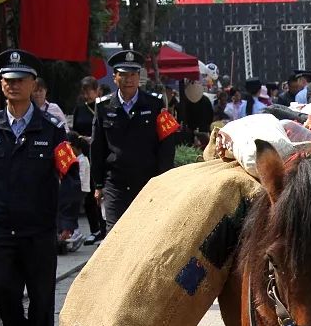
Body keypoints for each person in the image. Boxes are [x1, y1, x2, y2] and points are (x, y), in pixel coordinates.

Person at [0, 49, 76, 326]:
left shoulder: (52, 129)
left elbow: (69, 174)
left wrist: (66, 220)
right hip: (0, 228)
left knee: (42, 295)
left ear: (34, 84)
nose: (13, 85)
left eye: (20, 80)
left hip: (38, 227)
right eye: (8, 80)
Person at [90, 49, 179, 232]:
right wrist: (98, 185)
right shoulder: (103, 107)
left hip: (147, 183)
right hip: (115, 185)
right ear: (115, 77)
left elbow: (166, 146)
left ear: (139, 77)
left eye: (133, 74)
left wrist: (164, 180)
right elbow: (97, 148)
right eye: (123, 75)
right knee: (115, 234)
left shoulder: (155, 104)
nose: (128, 79)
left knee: (146, 233)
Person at [70, 76, 105, 245]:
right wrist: (80, 139)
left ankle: (105, 228)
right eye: (84, 92)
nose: (86, 95)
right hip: (84, 155)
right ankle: (94, 229)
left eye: (89, 91)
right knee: (88, 192)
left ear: (97, 90)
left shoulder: (102, 106)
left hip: (99, 154)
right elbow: (74, 131)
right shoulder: (80, 108)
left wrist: (94, 138)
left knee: (101, 192)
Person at [181, 80, 213, 145]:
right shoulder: (206, 100)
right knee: (204, 146)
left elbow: (185, 115)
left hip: (193, 129)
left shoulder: (187, 101)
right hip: (203, 129)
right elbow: (211, 115)